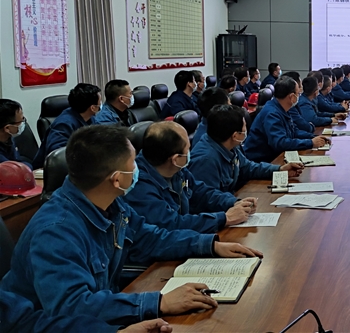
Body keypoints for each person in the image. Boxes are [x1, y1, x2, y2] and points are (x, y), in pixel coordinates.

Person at [0, 125, 262, 325]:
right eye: (133, 163)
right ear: (117, 179)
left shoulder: (110, 204)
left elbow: (150, 237)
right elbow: (73, 307)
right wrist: (158, 302)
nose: (139, 169)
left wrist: (210, 245)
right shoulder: (56, 231)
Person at [125, 122, 256, 233]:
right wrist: (224, 218)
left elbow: (201, 192)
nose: (190, 152)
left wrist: (233, 202)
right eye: (188, 149)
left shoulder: (176, 169)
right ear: (175, 159)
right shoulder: (139, 186)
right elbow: (172, 224)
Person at [188, 105, 303, 194]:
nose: (246, 131)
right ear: (235, 135)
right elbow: (208, 198)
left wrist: (279, 169)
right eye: (244, 129)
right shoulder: (205, 160)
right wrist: (236, 202)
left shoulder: (229, 145)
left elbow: (247, 167)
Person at [0, 286, 174, 333]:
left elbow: (27, 325)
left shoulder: (113, 212)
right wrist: (157, 302)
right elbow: (71, 305)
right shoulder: (55, 227)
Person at [243, 76, 328, 163]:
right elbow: (280, 143)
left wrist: (313, 137)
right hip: (261, 162)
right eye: (298, 94)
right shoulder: (272, 113)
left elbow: (294, 131)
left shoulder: (282, 108)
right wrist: (310, 143)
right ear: (292, 97)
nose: (299, 96)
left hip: (274, 156)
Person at [32, 83, 100, 169]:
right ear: (93, 108)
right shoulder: (63, 124)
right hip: (52, 170)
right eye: (99, 103)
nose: (100, 106)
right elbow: (57, 154)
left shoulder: (90, 118)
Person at [0, 99, 29, 166]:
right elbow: (12, 168)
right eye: (21, 121)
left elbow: (18, 161)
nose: (23, 123)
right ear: (7, 128)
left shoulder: (8, 139)